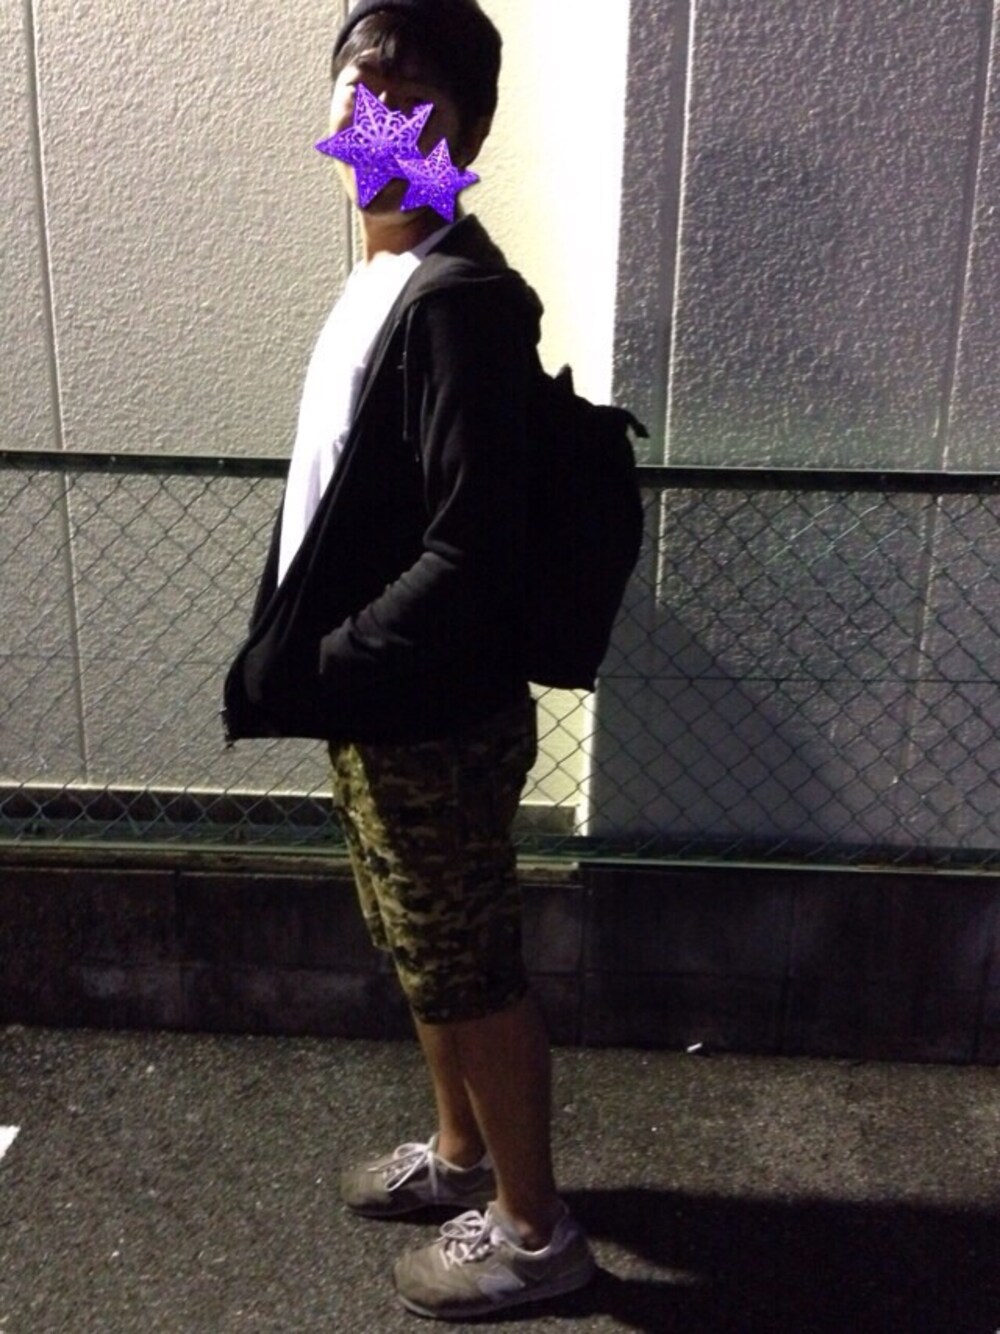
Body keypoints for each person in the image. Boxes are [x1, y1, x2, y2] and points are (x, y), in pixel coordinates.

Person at [222, 0, 595, 1319]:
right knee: (418, 949)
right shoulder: (382, 277)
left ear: (467, 133)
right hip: (379, 710)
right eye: (357, 93)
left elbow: (471, 553)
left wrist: (327, 662)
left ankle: (538, 1235)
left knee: (470, 969)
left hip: (429, 718)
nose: (373, 120)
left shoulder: (462, 304)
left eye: (409, 98)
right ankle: (461, 1156)